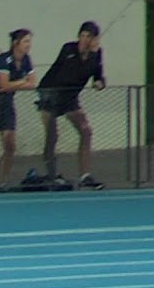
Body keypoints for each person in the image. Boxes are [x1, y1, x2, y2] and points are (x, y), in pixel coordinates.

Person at [35, 20, 107, 190]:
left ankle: (85, 175)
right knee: (52, 136)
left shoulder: (96, 55)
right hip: (51, 93)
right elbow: (71, 73)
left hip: (70, 97)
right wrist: (87, 57)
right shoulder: (68, 49)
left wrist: (99, 83)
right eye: (81, 36)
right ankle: (52, 174)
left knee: (86, 130)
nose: (84, 40)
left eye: (88, 37)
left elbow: (98, 76)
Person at [0, 29, 37, 192]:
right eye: (25, 41)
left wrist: (17, 84)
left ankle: (4, 181)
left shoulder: (26, 60)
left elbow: (32, 83)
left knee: (10, 141)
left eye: (29, 41)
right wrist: (21, 81)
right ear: (15, 43)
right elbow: (3, 85)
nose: (28, 45)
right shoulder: (4, 60)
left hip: (7, 101)